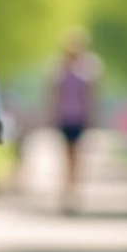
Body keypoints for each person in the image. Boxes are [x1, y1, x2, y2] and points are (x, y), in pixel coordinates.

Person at [49, 28, 101, 215]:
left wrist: (93, 117)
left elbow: (91, 97)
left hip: (79, 118)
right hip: (64, 118)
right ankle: (67, 193)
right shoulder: (58, 70)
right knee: (66, 156)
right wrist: (51, 116)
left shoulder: (88, 70)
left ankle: (75, 193)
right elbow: (53, 96)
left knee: (77, 157)